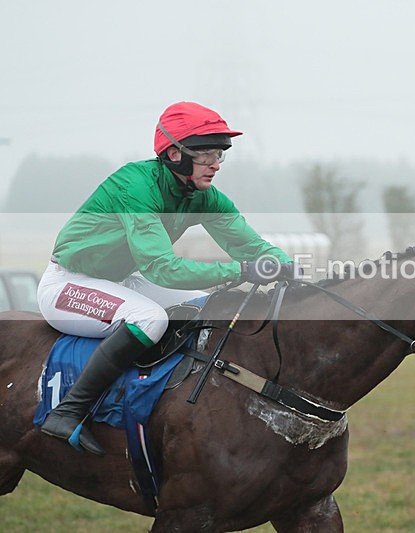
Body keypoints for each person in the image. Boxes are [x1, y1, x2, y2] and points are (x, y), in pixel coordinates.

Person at [37, 102, 298, 455]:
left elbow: (249, 245)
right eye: (206, 155)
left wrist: (286, 267)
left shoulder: (203, 196)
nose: (216, 164)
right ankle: (68, 412)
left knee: (206, 305)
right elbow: (161, 268)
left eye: (220, 154)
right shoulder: (136, 186)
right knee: (150, 318)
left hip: (118, 281)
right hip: (68, 285)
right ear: (174, 154)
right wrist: (239, 271)